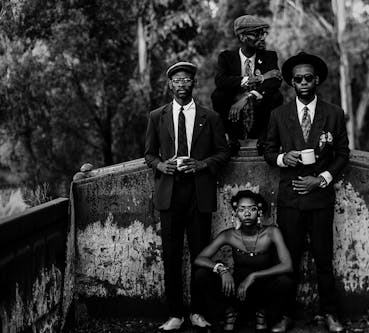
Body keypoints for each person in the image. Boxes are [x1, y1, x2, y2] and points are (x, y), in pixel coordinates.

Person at [263, 52, 350, 332]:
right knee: (288, 259)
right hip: (290, 199)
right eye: (298, 78)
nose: (303, 82)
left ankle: (331, 314)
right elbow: (267, 149)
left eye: (308, 78)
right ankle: (285, 315)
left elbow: (342, 154)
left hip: (321, 198)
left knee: (324, 260)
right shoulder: (278, 115)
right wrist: (281, 159)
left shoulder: (334, 114)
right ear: (291, 82)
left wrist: (322, 179)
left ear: (317, 80)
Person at [144, 61, 230, 331]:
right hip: (170, 193)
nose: (182, 84)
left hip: (198, 193)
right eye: (177, 80)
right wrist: (160, 165)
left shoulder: (210, 117)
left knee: (200, 255)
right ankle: (175, 314)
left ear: (194, 83)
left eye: (187, 80)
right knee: (170, 255)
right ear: (170, 85)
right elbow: (149, 153)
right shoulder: (157, 116)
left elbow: (223, 152)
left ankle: (198, 312)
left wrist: (202, 164)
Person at [193, 190, 294, 332]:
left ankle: (262, 314)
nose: (247, 213)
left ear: (259, 212)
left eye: (252, 209)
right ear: (236, 213)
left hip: (262, 292)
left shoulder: (272, 232)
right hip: (237, 292)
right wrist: (222, 270)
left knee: (285, 281)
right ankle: (229, 313)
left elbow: (288, 266)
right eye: (241, 209)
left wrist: (253, 276)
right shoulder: (228, 235)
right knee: (201, 274)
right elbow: (199, 259)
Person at [211, 14, 284, 156]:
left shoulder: (269, 56)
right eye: (257, 34)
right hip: (234, 117)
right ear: (242, 37)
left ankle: (264, 141)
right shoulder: (226, 57)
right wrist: (258, 78)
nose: (262, 38)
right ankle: (232, 140)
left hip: (259, 112)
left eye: (264, 33)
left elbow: (275, 81)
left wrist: (247, 97)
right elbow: (221, 81)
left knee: (276, 96)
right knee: (218, 95)